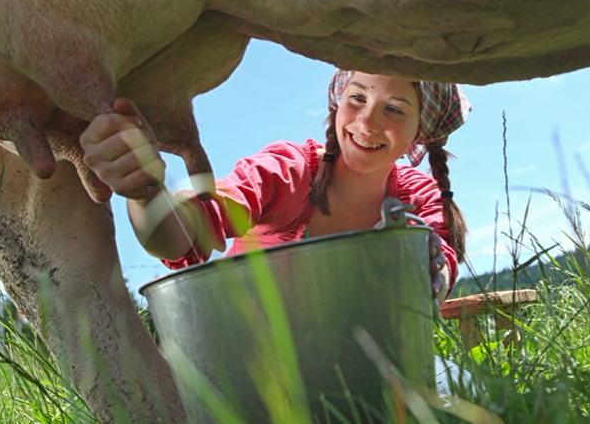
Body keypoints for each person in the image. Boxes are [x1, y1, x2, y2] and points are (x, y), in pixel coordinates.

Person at [80, 70, 471, 301]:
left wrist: (425, 267)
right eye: (357, 97)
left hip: (364, 367)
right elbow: (183, 237)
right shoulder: (287, 172)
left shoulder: (418, 196)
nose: (367, 122)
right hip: (251, 363)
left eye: (394, 108)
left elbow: (437, 271)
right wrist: (146, 192)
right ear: (338, 100)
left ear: (421, 129)